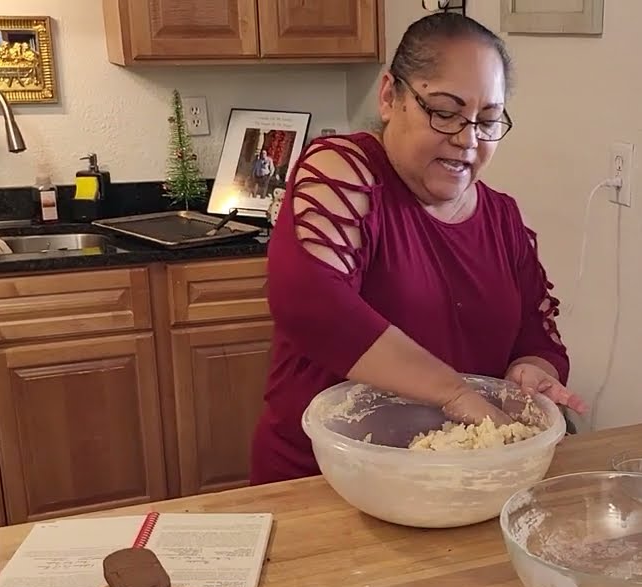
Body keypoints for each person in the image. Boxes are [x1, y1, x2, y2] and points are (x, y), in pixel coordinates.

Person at [250, 12, 587, 485]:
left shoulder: (502, 217)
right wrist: (455, 394)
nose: (467, 140)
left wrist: (529, 372)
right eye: (445, 112)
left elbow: (538, 335)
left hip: (463, 482)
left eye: (487, 121)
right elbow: (312, 304)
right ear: (390, 96)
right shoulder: (343, 171)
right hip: (324, 482)